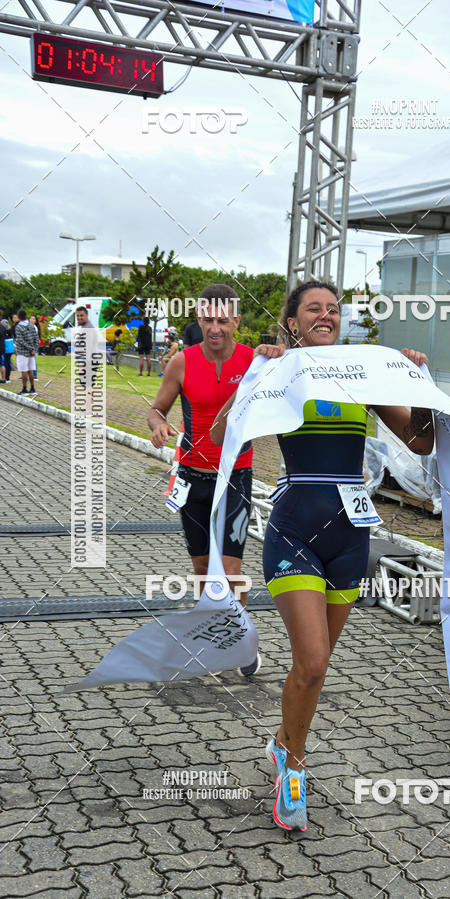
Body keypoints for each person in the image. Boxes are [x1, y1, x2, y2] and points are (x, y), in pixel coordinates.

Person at [211, 280, 433, 832]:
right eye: (314, 308)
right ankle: (294, 766)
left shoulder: (366, 374)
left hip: (350, 538)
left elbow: (421, 442)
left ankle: (284, 740)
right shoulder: (280, 371)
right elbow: (221, 434)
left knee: (315, 669)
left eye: (334, 309)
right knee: (311, 661)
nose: (326, 315)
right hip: (294, 530)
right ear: (291, 320)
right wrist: (255, 375)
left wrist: (418, 383)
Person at [148, 284, 260, 675]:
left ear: (236, 322)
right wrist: (158, 425)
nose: (215, 328)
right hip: (192, 478)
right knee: (201, 570)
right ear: (199, 319)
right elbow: (157, 409)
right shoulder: (180, 362)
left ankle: (243, 642)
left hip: (235, 477)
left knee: (230, 571)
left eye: (223, 320)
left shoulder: (253, 361)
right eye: (208, 319)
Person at [14, 309, 39, 396]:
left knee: (24, 371)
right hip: (31, 353)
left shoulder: (18, 327)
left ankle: (24, 389)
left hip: (22, 352)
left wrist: (29, 348)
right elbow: (36, 338)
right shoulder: (32, 326)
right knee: (30, 370)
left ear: (19, 317)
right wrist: (34, 348)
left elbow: (20, 340)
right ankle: (32, 388)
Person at [29, 314, 41, 379]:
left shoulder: (34, 328)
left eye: (33, 319)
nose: (31, 320)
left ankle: (35, 375)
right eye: (31, 318)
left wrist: (33, 347)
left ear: (36, 321)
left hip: (33, 345)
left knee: (33, 359)